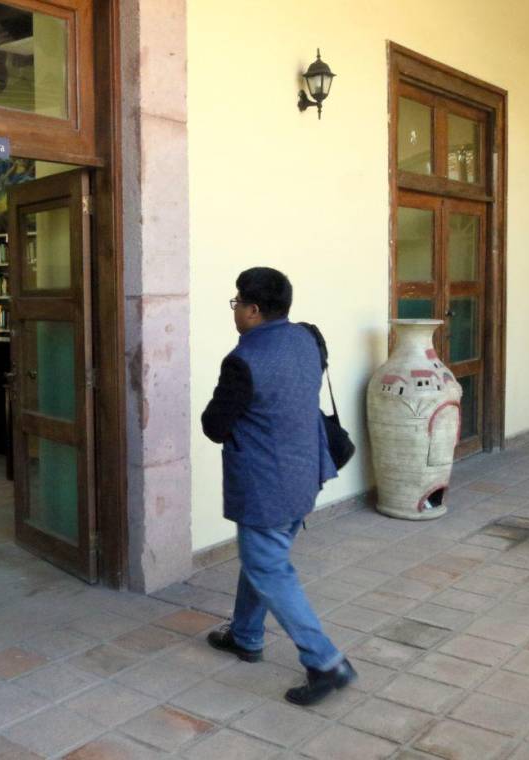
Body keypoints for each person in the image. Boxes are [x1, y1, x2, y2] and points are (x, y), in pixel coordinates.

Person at [201, 267, 356, 706]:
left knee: (269, 567)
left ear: (252, 310)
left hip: (264, 484)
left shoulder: (242, 361)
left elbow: (215, 425)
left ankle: (325, 662)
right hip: (305, 473)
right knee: (263, 558)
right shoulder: (306, 339)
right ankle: (247, 635)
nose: (234, 311)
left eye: (236, 304)